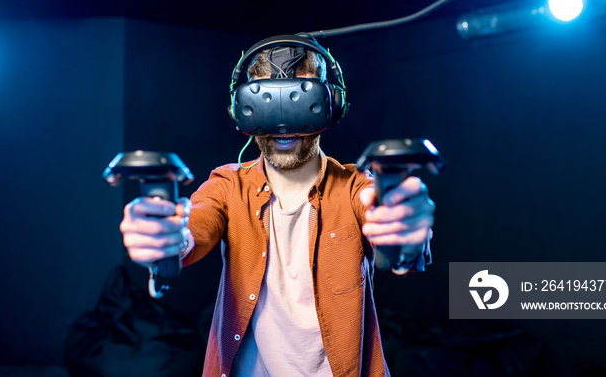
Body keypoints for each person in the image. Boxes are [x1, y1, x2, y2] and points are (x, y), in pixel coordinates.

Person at [120, 37, 436, 376]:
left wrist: (404, 232)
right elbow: (193, 228)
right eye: (266, 103)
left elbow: (389, 226)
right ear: (240, 110)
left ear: (332, 105)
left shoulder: (356, 186)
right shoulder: (228, 185)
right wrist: (162, 238)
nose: (283, 124)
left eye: (301, 100)